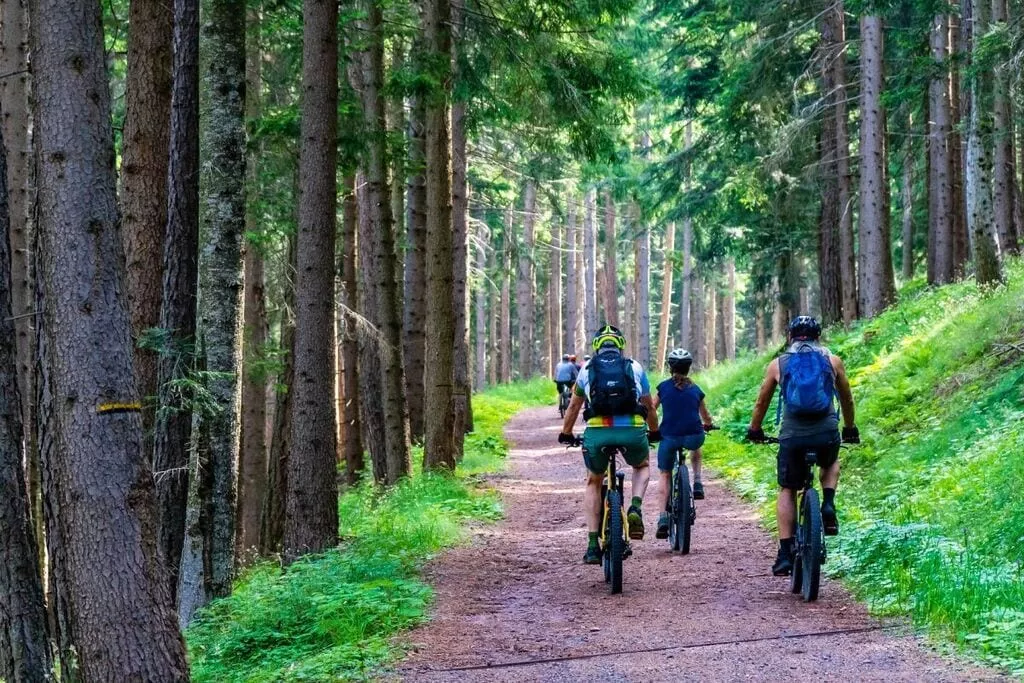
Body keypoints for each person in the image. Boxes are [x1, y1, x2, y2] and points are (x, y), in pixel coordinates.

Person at [745, 316, 860, 577]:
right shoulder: (832, 361)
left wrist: (755, 430)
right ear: (818, 336)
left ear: (790, 336)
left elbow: (761, 403)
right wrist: (850, 428)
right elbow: (847, 398)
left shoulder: (778, 364)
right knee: (830, 461)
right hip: (826, 432)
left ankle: (785, 553)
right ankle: (828, 502)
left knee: (787, 487)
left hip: (793, 436)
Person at [558, 325, 661, 564]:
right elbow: (649, 405)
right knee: (642, 465)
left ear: (596, 347)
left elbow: (573, 406)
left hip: (598, 433)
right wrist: (654, 431)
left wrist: (566, 433)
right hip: (632, 431)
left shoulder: (586, 369)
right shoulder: (634, 367)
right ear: (620, 345)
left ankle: (593, 545)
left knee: (594, 481)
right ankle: (635, 507)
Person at [652, 348, 714, 539]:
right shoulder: (696, 390)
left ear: (670, 367)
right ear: (689, 368)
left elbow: (651, 410)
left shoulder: (663, 388)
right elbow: (705, 416)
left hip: (669, 437)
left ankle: (663, 516)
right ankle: (697, 481)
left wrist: (651, 429)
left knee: (664, 473)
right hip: (693, 436)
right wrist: (709, 424)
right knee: (696, 444)